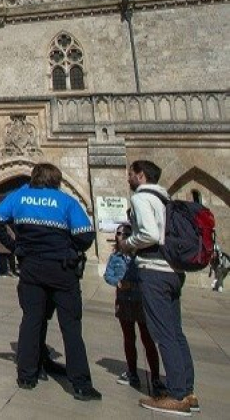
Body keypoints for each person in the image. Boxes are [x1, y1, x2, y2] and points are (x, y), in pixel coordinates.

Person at [0, 162, 100, 401]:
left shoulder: (21, 196)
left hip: (31, 267)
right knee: (71, 326)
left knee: (32, 320)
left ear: (34, 178)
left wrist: (15, 246)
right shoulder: (66, 201)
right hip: (61, 270)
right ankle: (80, 384)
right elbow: (86, 235)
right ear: (56, 180)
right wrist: (68, 248)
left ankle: (27, 375)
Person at [121, 160, 199, 414]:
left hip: (154, 270)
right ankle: (187, 391)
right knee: (175, 332)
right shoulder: (165, 199)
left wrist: (128, 243)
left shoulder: (142, 198)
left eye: (131, 174)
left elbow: (150, 235)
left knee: (163, 333)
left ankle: (176, 395)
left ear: (141, 176)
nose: (129, 178)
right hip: (174, 271)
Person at [104, 223, 162, 395]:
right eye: (119, 233)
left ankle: (155, 378)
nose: (121, 235)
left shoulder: (141, 256)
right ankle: (132, 373)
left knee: (148, 340)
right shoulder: (115, 257)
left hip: (142, 302)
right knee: (129, 338)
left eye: (126, 233)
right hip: (124, 301)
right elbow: (108, 275)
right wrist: (118, 282)